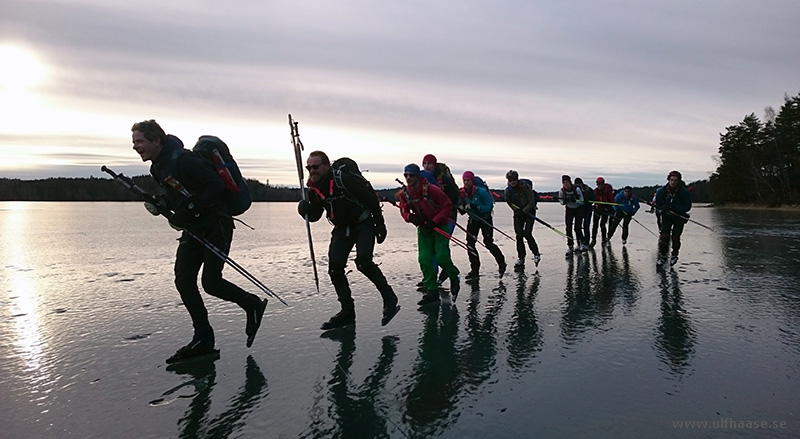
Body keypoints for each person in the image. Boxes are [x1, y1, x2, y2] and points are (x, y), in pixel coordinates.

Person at [131, 119, 268, 363]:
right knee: (184, 280)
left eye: (139, 141)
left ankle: (252, 304)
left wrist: (191, 208)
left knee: (211, 282)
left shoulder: (184, 159)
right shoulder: (158, 167)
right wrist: (163, 203)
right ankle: (203, 338)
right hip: (194, 227)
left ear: (156, 140)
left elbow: (213, 185)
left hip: (217, 223)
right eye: (134, 142)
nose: (135, 146)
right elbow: (178, 195)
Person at [297, 151, 400, 330]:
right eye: (308, 167)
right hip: (341, 228)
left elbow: (370, 199)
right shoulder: (314, 188)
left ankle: (389, 298)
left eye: (315, 167)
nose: (311, 170)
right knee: (335, 268)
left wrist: (380, 225)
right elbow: (314, 216)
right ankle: (347, 312)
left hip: (363, 223)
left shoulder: (343, 179)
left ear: (326, 166)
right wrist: (303, 209)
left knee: (363, 262)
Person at [397, 164, 460, 305]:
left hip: (440, 226)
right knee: (424, 258)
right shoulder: (405, 193)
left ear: (418, 176)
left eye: (411, 175)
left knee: (441, 257)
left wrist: (435, 221)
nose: (408, 178)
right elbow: (403, 209)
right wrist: (410, 217)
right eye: (405, 175)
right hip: (424, 228)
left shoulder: (432, 189)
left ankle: (454, 276)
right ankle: (432, 291)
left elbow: (447, 206)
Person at [458, 171, 506, 279]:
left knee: (488, 243)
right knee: (470, 244)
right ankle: (475, 270)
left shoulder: (481, 191)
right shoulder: (462, 192)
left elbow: (489, 206)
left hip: (485, 219)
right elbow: (462, 208)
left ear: (472, 181)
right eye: (464, 180)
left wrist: (477, 207)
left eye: (468, 180)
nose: (466, 182)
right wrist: (461, 208)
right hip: (473, 220)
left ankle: (501, 263)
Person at [503, 170, 541, 270]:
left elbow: (531, 202)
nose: (512, 182)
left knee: (527, 233)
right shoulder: (508, 191)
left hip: (529, 212)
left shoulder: (525, 187)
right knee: (519, 235)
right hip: (518, 214)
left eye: (514, 180)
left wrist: (524, 211)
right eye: (510, 180)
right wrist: (516, 210)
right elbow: (509, 202)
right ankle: (521, 258)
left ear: (517, 179)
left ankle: (536, 253)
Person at [654, 170, 692, 267]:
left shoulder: (684, 192)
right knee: (664, 237)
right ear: (668, 180)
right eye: (671, 180)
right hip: (667, 216)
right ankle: (663, 256)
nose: (673, 182)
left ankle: (674, 254)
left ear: (678, 181)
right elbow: (657, 205)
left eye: (675, 180)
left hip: (679, 217)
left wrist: (676, 208)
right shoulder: (662, 191)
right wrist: (663, 209)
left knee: (675, 237)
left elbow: (687, 206)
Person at [558, 175, 586, 255]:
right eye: (564, 183)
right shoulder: (562, 191)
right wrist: (565, 201)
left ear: (570, 182)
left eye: (567, 182)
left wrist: (575, 201)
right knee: (568, 228)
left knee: (577, 227)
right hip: (569, 209)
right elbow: (561, 202)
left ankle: (581, 243)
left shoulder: (576, 189)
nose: (565, 184)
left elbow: (582, 201)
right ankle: (570, 246)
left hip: (578, 209)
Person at [592, 177, 614, 247]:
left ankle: (604, 239)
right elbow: (591, 199)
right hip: (597, 210)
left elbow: (612, 201)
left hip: (605, 210)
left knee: (602, 225)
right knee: (595, 226)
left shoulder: (607, 192)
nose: (600, 185)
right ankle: (593, 240)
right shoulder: (595, 191)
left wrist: (606, 205)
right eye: (598, 184)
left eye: (601, 184)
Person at [574, 178, 594, 250]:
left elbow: (593, 199)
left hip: (587, 209)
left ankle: (586, 243)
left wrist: (587, 201)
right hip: (578, 210)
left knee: (586, 226)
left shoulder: (588, 189)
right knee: (577, 227)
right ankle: (580, 242)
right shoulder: (575, 190)